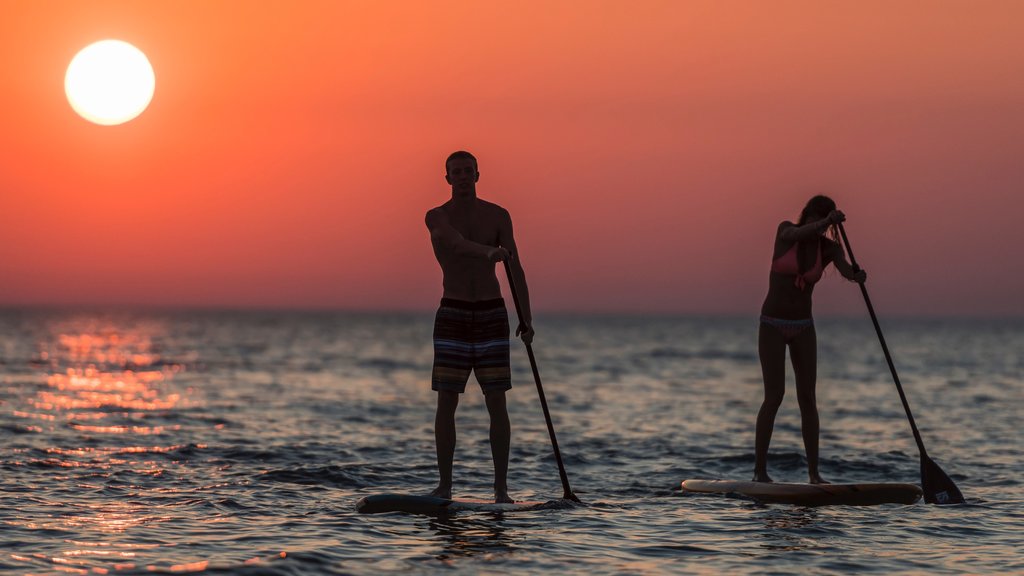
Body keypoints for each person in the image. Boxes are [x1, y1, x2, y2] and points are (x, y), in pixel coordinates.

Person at [424, 150, 534, 503]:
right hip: (453, 311)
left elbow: (515, 268)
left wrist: (526, 319)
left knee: (496, 400)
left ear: (477, 174)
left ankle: (501, 489)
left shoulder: (498, 215)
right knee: (447, 400)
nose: (462, 177)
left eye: (468, 171)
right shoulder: (436, 216)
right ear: (446, 178)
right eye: (455, 172)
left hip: (491, 312)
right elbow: (454, 243)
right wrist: (487, 253)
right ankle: (445, 486)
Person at [753, 195, 866, 484]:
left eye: (825, 221)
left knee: (808, 399)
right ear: (809, 215)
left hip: (803, 327)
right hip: (772, 325)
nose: (821, 226)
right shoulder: (786, 231)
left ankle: (814, 474)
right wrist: (826, 222)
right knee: (774, 397)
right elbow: (799, 232)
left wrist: (856, 275)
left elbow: (844, 269)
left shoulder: (828, 248)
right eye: (818, 218)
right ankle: (760, 472)